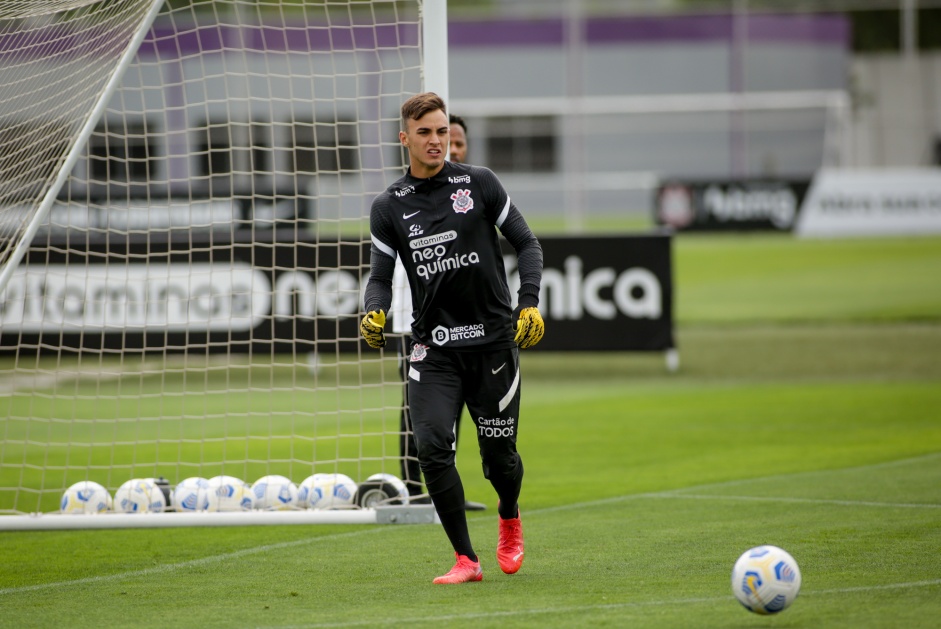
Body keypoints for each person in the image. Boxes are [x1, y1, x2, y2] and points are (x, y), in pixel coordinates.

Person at [361, 92, 544, 584]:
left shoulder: (479, 183)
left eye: (442, 131)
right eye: (425, 132)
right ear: (405, 138)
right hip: (434, 347)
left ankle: (509, 515)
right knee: (432, 447)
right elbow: (380, 276)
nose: (437, 140)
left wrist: (529, 301)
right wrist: (373, 310)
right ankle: (466, 559)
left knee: (499, 461)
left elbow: (527, 243)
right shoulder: (387, 206)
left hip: (492, 344)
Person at [397, 112, 486, 511]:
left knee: (458, 404)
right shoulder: (401, 199)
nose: (452, 146)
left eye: (457, 140)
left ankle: (444, 488)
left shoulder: (473, 188)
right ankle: (412, 486)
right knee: (417, 405)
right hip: (418, 315)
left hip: (467, 321)